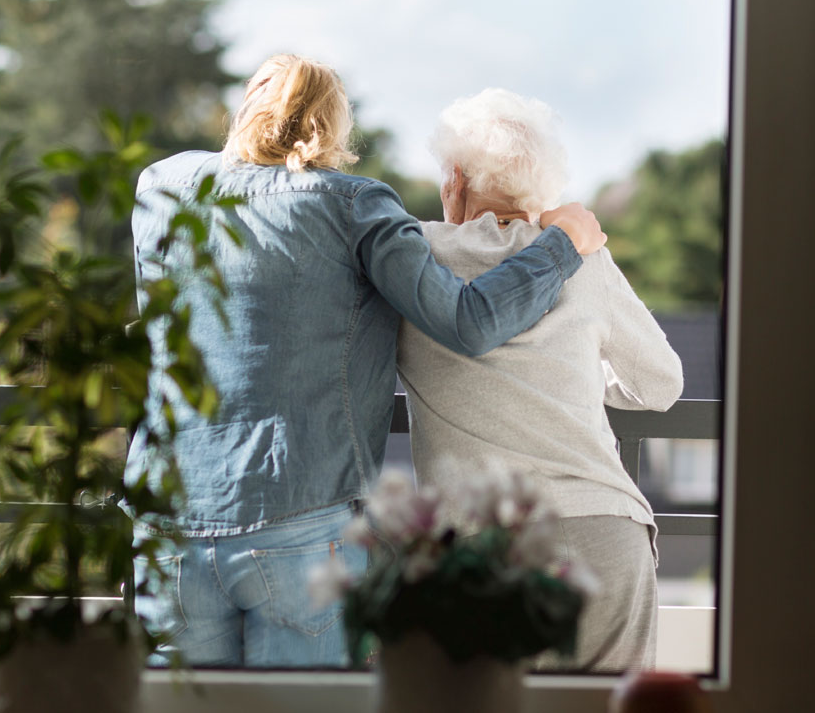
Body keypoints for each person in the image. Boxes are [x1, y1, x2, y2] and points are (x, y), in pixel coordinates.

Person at [127, 56, 607, 668]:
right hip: (303, 527)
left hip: (170, 524)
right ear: (334, 127)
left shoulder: (162, 187)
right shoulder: (356, 205)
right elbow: (469, 321)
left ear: (245, 110)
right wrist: (563, 245)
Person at [397, 88, 684, 672]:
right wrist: (574, 370)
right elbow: (660, 384)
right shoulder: (582, 258)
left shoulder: (415, 258)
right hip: (605, 532)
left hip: (481, 545)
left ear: (454, 179)